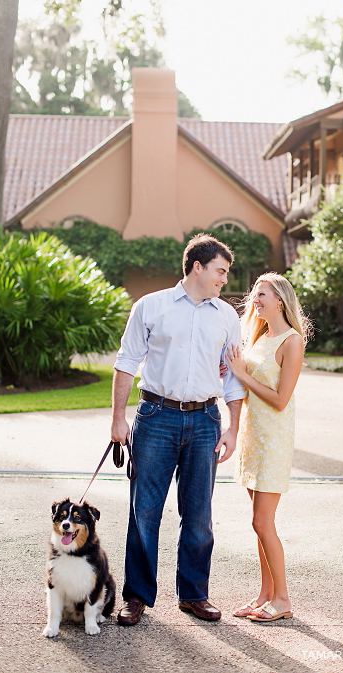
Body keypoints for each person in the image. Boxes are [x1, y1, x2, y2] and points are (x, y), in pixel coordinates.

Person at [110, 234, 246, 626]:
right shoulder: (151, 307)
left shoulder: (226, 316)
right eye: (220, 271)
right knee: (144, 513)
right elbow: (126, 363)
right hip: (156, 418)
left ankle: (194, 595)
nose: (224, 280)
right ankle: (136, 597)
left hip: (205, 421)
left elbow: (234, 378)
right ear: (197, 267)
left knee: (199, 515)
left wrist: (233, 427)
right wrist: (118, 418)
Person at [225, 273, 309, 623]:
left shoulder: (292, 342)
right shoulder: (259, 335)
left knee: (263, 522)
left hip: (273, 441)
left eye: (262, 294)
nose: (254, 300)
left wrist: (243, 376)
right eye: (254, 294)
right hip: (251, 439)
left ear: (280, 300)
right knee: (258, 524)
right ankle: (265, 595)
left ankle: (283, 599)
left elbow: (279, 400)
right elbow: (241, 379)